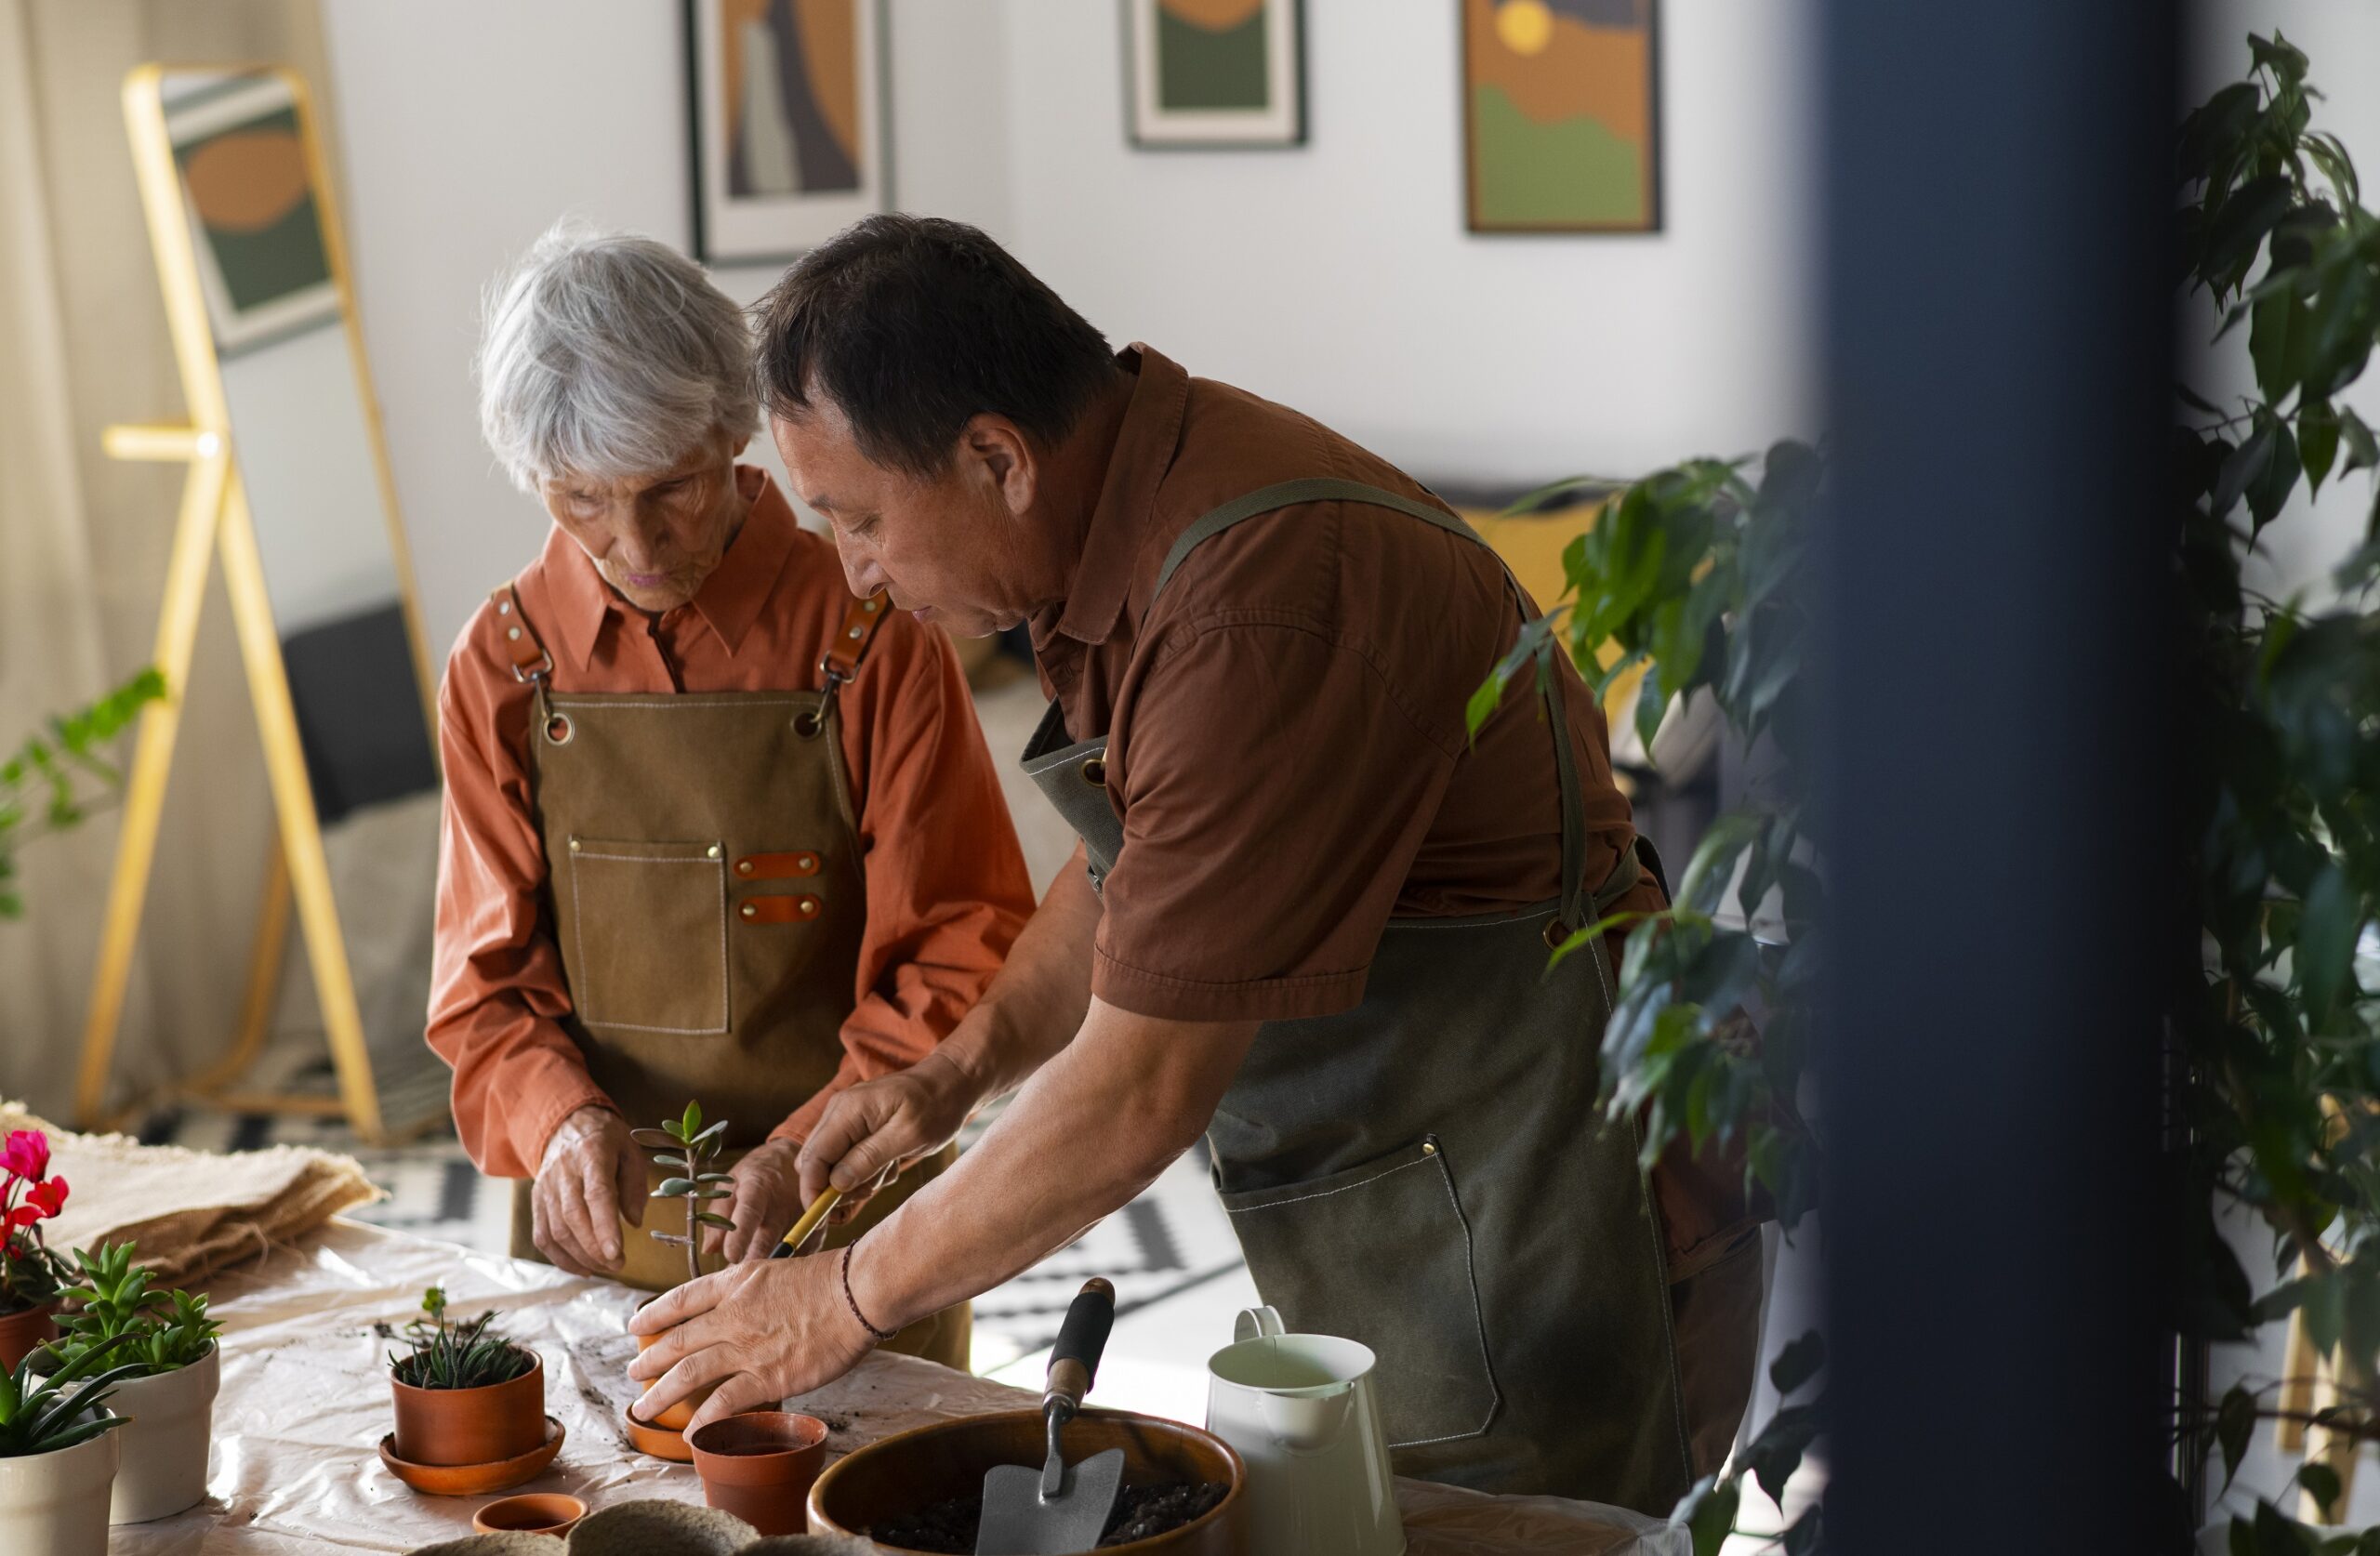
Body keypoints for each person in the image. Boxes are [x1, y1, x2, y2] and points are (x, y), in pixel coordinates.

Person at [628, 215, 1763, 1508]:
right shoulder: (1130, 505)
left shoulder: (1252, 600)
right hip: (1424, 1201)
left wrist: (837, 1297)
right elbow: (1140, 860)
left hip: (1548, 1203)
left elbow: (1138, 1088)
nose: (862, 575)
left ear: (996, 456)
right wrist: (952, 1073)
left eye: (861, 521)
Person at [429, 223, 1034, 1369]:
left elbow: (963, 942)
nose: (636, 546)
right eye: (580, 503)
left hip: (843, 1221)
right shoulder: (503, 660)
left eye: (673, 491)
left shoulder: (871, 629)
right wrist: (563, 1122)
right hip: (604, 1235)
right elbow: (484, 988)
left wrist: (803, 1148)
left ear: (732, 432)